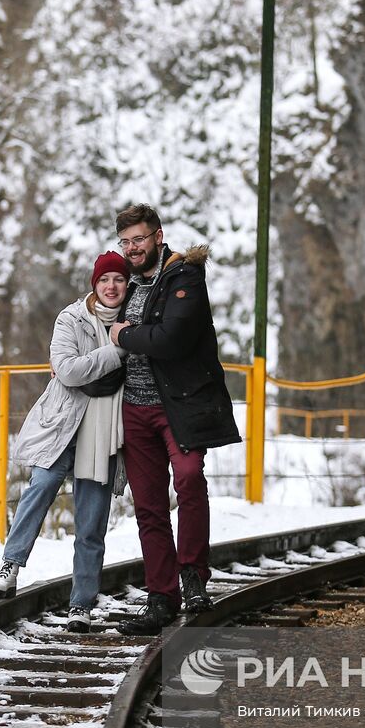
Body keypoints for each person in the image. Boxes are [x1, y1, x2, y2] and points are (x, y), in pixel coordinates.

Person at [108, 203, 240, 634]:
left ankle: (194, 578)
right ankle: (161, 596)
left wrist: (126, 334)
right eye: (126, 242)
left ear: (158, 237)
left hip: (179, 407)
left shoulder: (185, 276)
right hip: (135, 408)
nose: (132, 248)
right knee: (148, 506)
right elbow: (92, 311)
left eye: (140, 239)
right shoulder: (125, 283)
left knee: (188, 479)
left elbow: (172, 339)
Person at [0, 251, 130, 633]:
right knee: (41, 486)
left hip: (105, 434)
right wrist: (117, 352)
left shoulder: (136, 322)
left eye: (118, 279)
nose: (111, 287)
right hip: (63, 425)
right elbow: (66, 370)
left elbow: (83, 370)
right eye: (104, 280)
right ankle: (10, 565)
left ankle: (81, 603)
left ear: (127, 284)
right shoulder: (72, 318)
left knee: (92, 521)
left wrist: (90, 367)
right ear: (94, 286)